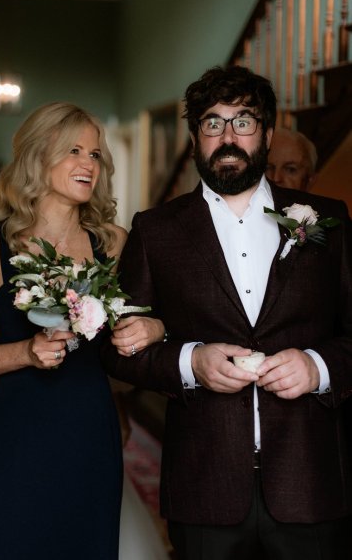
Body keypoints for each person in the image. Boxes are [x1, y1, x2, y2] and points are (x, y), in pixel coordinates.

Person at [102, 65, 352, 560]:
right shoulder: (156, 231)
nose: (228, 136)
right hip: (204, 485)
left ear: (267, 133)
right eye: (213, 123)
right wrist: (189, 362)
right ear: (196, 138)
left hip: (310, 482)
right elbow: (119, 350)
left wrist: (317, 367)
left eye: (244, 121)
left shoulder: (328, 219)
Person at [0, 102, 165, 559]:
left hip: (89, 430)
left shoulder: (114, 244)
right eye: (74, 151)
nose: (88, 164)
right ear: (37, 157)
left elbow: (140, 329)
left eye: (96, 154)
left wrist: (153, 328)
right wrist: (25, 352)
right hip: (13, 434)